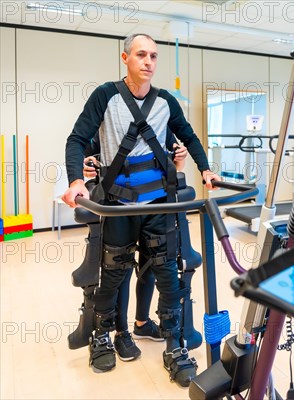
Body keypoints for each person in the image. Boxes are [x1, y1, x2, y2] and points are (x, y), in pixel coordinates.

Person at [63, 33, 220, 387]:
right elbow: (77, 139)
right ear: (125, 58)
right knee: (114, 273)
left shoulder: (166, 102)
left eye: (153, 56)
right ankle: (102, 337)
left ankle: (174, 345)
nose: (148, 61)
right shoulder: (106, 95)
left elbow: (189, 136)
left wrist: (205, 168)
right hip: (118, 204)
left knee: (167, 274)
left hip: (159, 203)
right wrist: (76, 180)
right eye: (141, 55)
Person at [81, 134, 189, 361]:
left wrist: (180, 157)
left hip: (155, 202)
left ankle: (142, 323)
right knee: (120, 269)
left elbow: (174, 151)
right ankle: (120, 332)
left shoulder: (160, 121)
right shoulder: (111, 121)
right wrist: (86, 165)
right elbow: (85, 150)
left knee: (154, 264)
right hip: (119, 203)